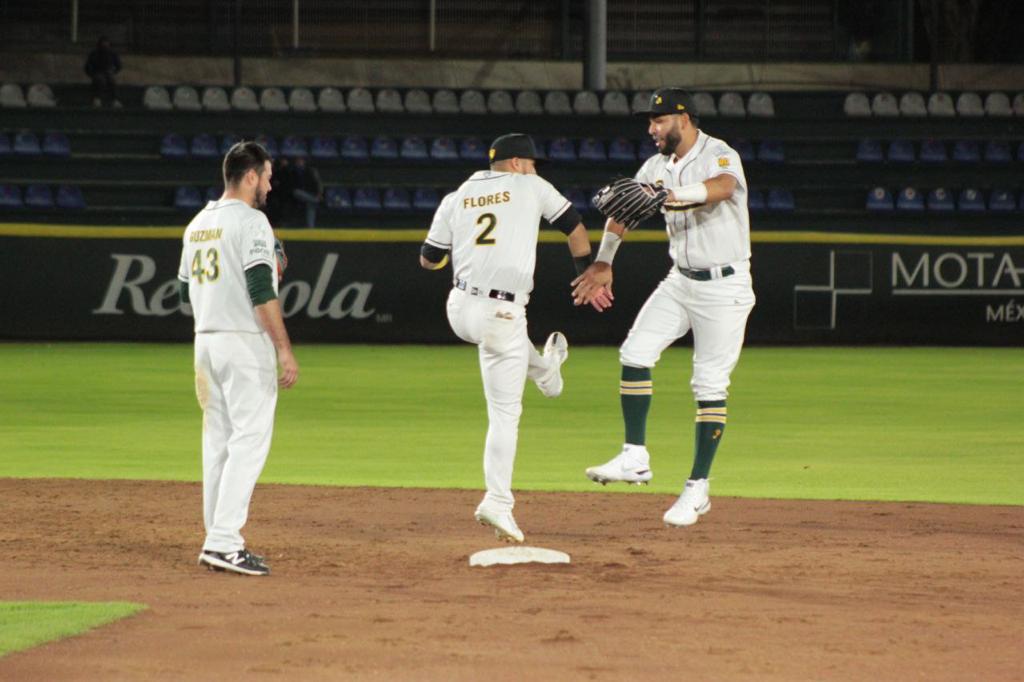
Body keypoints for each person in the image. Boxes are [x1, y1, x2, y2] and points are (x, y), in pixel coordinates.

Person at [573, 88, 755, 528]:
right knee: (635, 354)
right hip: (680, 281)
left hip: (725, 287)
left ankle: (698, 487)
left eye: (659, 121)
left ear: (684, 118)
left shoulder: (719, 153)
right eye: (649, 122)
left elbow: (723, 187)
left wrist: (671, 196)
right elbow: (621, 212)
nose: (652, 129)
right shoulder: (655, 166)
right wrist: (603, 261)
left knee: (708, 383)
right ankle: (635, 456)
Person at [419, 133, 611, 543]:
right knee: (504, 413)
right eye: (533, 162)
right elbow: (575, 228)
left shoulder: (457, 196)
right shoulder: (531, 186)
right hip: (501, 311)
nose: (536, 168)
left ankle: (546, 371)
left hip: (458, 310)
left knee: (505, 345)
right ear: (518, 164)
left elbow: (429, 259)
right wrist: (587, 274)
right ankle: (498, 501)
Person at [177, 141, 299, 575]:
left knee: (218, 442)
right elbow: (261, 291)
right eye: (266, 175)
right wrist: (284, 348)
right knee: (249, 441)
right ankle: (225, 541)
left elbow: (181, 291)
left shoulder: (197, 223)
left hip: (205, 342)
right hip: (244, 342)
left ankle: (217, 536)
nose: (269, 183)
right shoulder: (252, 222)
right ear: (250, 177)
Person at [84, 36, 122, 108]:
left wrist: (113, 71)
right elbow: (87, 66)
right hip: (97, 72)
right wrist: (92, 74)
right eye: (103, 43)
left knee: (112, 80)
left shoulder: (112, 54)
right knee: (100, 80)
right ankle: (97, 99)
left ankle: (114, 100)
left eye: (106, 43)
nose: (105, 45)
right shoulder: (94, 53)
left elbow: (118, 65)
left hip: (108, 72)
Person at [289, 156, 323, 228]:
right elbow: (292, 186)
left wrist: (319, 193)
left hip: (309, 194)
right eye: (297, 162)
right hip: (298, 193)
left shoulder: (310, 170)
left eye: (300, 161)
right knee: (297, 192)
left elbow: (318, 183)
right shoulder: (293, 171)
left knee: (311, 205)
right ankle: (317, 200)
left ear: (304, 162)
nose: (299, 163)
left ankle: (310, 227)